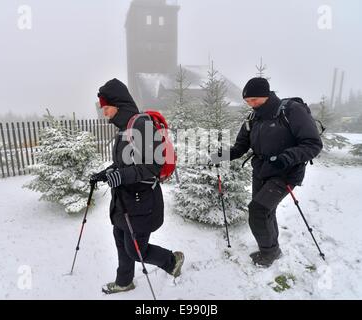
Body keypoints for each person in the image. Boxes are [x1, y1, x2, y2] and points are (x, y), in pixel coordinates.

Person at [211, 77, 323, 267]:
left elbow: (313, 144)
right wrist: (221, 156)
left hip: (285, 172)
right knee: (266, 211)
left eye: (254, 100)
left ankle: (269, 252)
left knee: (258, 210)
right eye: (247, 101)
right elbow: (241, 147)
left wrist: (286, 158)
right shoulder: (252, 118)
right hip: (261, 171)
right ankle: (272, 247)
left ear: (266, 95)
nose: (251, 104)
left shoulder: (291, 111)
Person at [91, 78, 184, 294]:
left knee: (136, 251)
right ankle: (124, 281)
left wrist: (120, 177)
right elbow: (123, 163)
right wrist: (105, 174)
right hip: (125, 202)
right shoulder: (124, 128)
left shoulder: (141, 125)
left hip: (142, 202)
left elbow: (152, 166)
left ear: (118, 104)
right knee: (120, 240)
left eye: (106, 108)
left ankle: (172, 261)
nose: (104, 113)